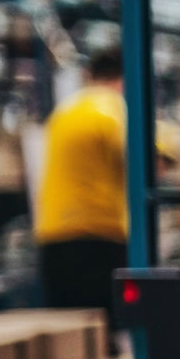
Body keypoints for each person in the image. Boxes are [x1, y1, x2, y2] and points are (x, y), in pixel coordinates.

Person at [34, 48, 129, 339]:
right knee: (105, 337)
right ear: (123, 79)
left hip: (53, 235)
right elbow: (137, 162)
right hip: (98, 237)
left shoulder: (64, 111)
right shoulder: (112, 107)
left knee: (69, 338)